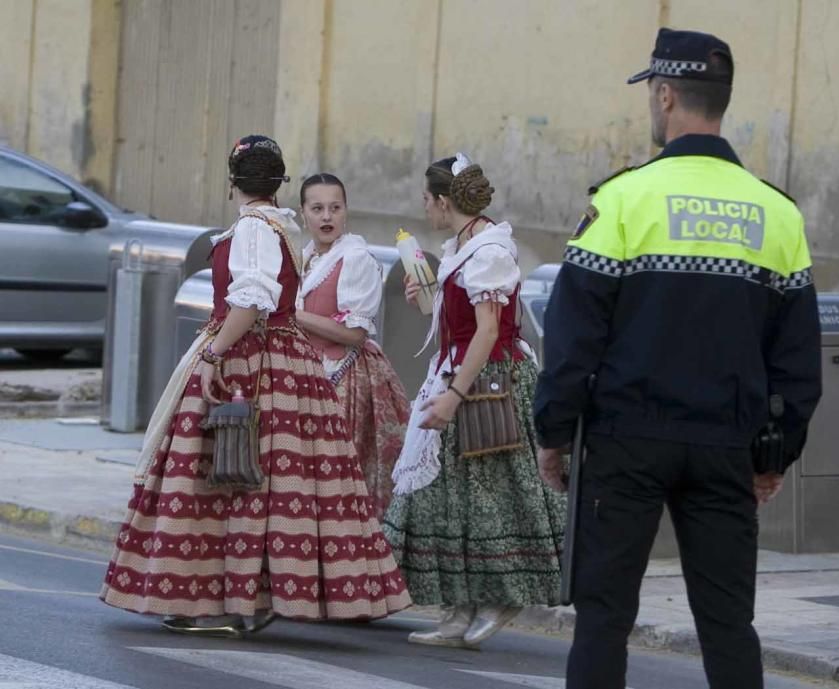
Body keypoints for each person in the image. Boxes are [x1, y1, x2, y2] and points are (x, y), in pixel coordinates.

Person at [533, 29, 822, 689]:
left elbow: (574, 336)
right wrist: (774, 455)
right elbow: (800, 360)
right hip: (725, 444)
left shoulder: (623, 199)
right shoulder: (777, 213)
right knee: (726, 623)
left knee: (604, 616)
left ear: (665, 96)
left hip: (624, 441)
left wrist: (553, 433)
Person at [100, 135, 411, 637]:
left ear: (232, 183)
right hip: (287, 364)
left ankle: (227, 601)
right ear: (279, 185)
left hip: (252, 364)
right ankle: (252, 595)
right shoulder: (277, 226)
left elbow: (251, 300)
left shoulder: (252, 230)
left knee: (232, 478)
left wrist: (216, 351)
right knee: (274, 485)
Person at [382, 153, 565, 649]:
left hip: (489, 384)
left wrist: (454, 396)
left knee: (494, 498)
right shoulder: (463, 244)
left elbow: (487, 332)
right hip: (458, 372)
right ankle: (458, 609)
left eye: (427, 198)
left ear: (444, 201)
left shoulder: (489, 251)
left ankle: (502, 597)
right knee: (449, 501)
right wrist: (425, 296)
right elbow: (456, 323)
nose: (425, 207)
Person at [296, 173, 410, 520]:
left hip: (341, 378)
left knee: (334, 477)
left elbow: (354, 334)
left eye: (335, 208)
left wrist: (293, 315)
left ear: (346, 212)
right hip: (304, 373)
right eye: (317, 208)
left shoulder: (355, 258)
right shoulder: (306, 256)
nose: (327, 216)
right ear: (304, 214)